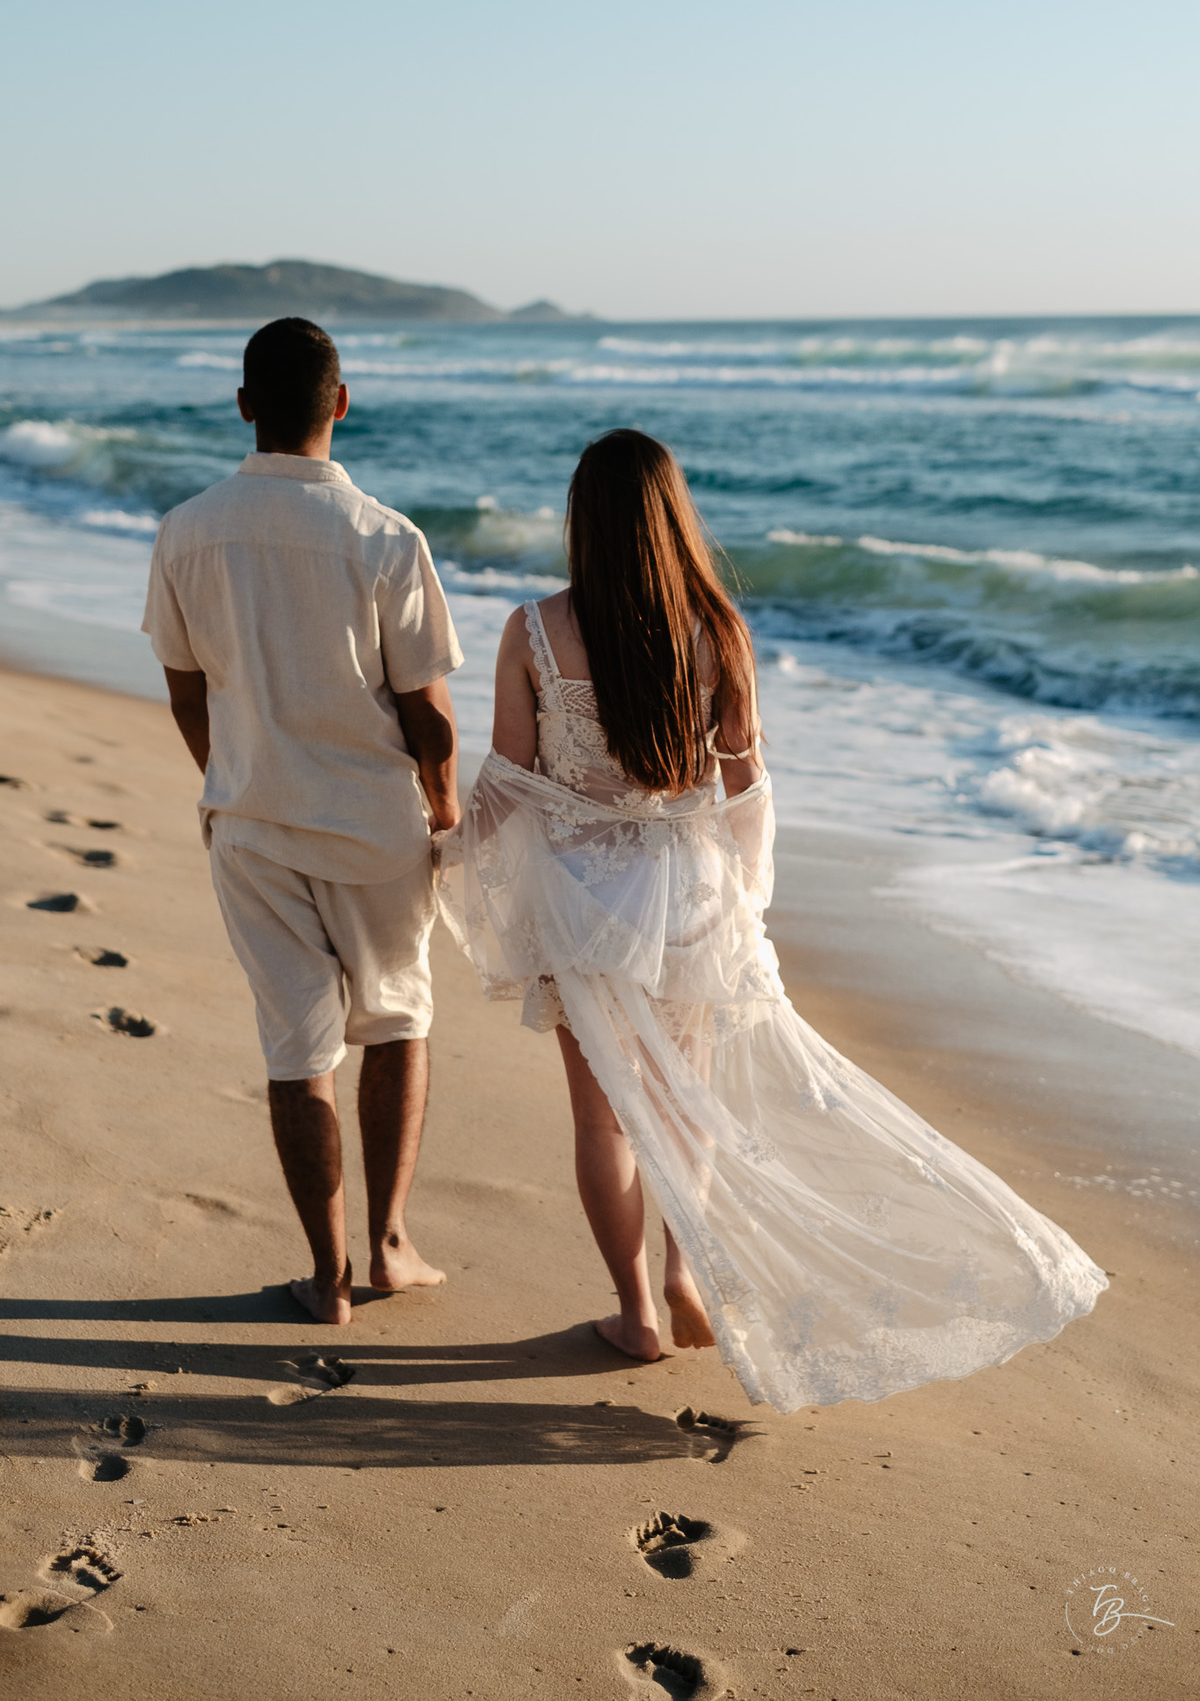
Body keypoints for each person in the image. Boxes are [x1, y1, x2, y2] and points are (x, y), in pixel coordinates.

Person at [435, 429, 1108, 1411]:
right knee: (687, 1103)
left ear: (584, 519)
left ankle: (635, 1314)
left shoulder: (534, 629)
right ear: (675, 517)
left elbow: (508, 783)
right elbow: (745, 787)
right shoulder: (717, 629)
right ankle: (681, 1269)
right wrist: (744, 896)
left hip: (583, 909)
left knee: (605, 1119)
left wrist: (448, 853)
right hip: (691, 899)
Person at [143, 316, 462, 1326]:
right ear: (342, 402)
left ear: (244, 406)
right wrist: (444, 811)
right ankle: (390, 1246)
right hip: (376, 824)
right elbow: (429, 715)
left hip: (252, 819)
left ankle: (324, 1278)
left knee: (297, 1046)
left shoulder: (188, 530)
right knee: (398, 1021)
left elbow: (187, 689)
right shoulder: (387, 539)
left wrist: (227, 775)